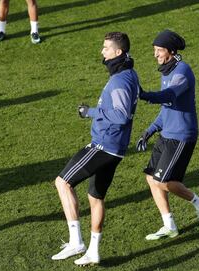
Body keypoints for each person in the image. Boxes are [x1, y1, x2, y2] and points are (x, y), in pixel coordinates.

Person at [52, 32, 140, 266]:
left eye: (106, 48)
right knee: (95, 196)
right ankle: (93, 250)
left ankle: (76, 242)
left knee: (63, 182)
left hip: (104, 145)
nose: (102, 52)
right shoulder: (130, 74)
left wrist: (90, 112)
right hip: (118, 148)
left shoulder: (119, 81)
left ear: (118, 52)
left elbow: (120, 116)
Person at [137, 30, 199, 240]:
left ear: (171, 51)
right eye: (154, 50)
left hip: (181, 136)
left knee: (163, 181)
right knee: (151, 179)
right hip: (167, 134)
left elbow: (170, 95)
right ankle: (169, 225)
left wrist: (144, 95)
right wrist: (149, 130)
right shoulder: (166, 72)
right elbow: (167, 108)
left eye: (159, 50)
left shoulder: (182, 72)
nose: (155, 55)